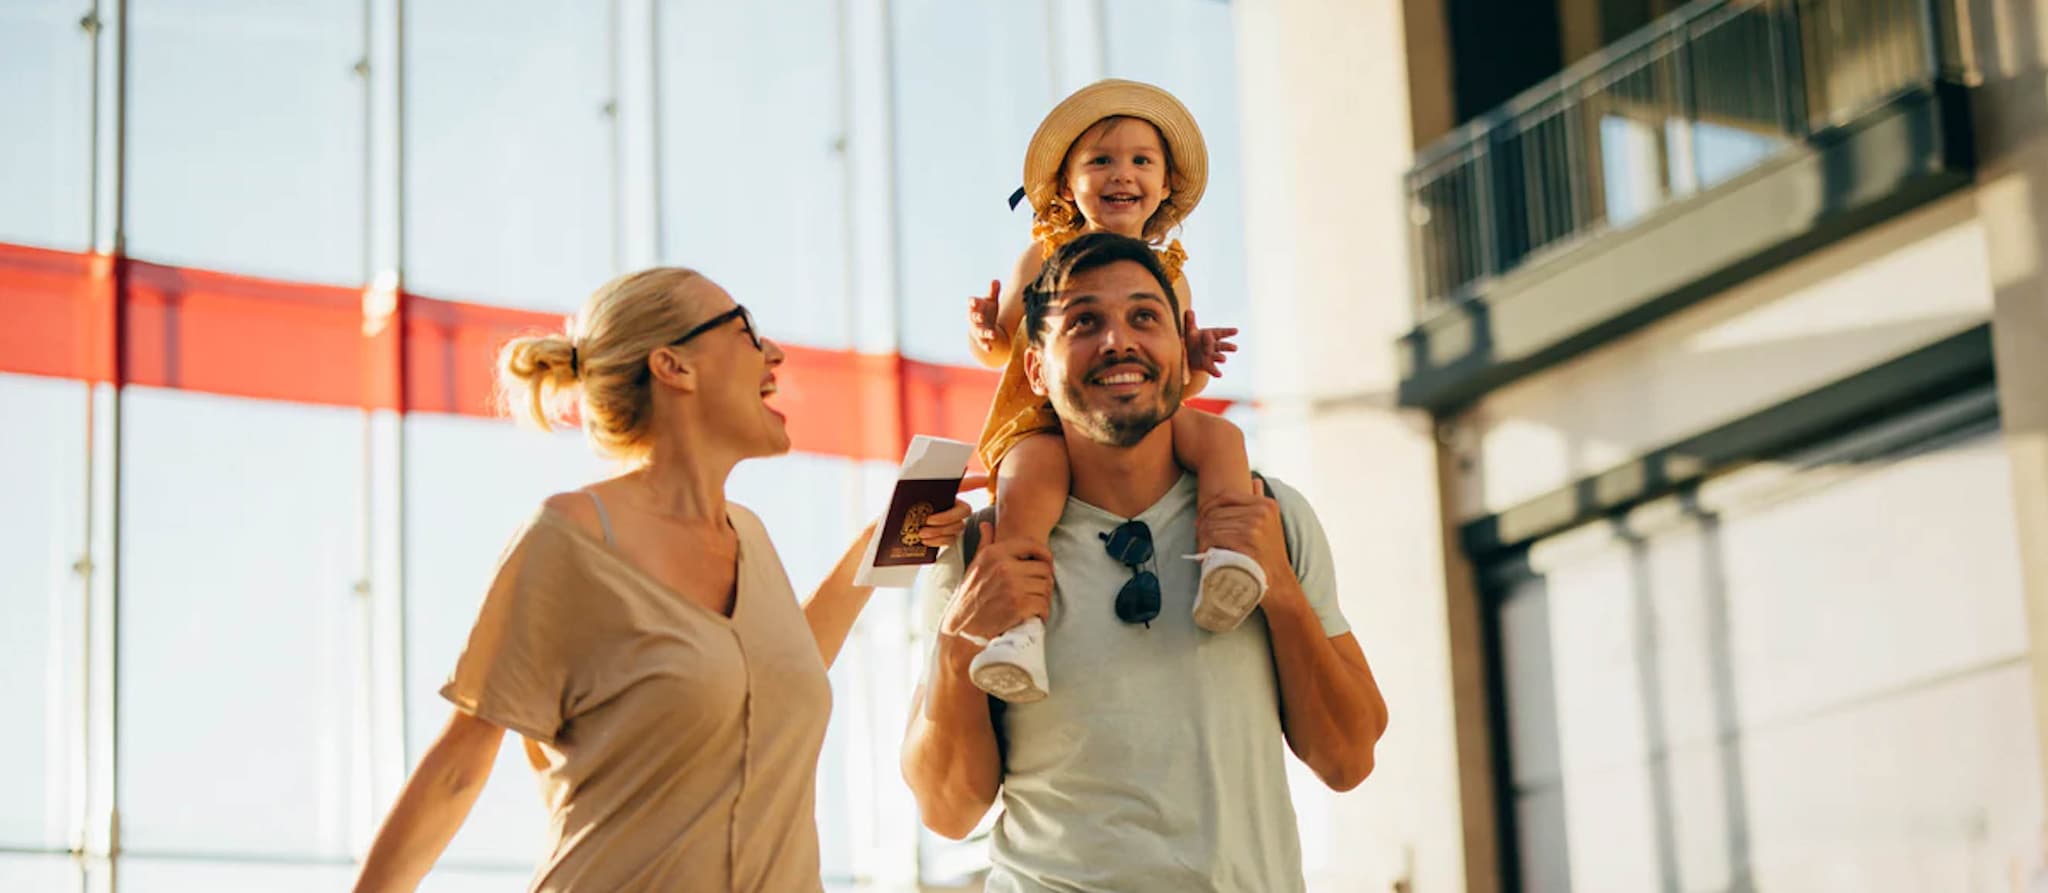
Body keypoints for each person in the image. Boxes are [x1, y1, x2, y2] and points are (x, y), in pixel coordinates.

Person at [351, 266, 974, 893]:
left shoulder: (750, 536)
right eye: (746, 331)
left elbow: (768, 673)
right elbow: (458, 768)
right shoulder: (572, 537)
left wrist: (878, 543)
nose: (774, 353)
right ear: (673, 366)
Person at [904, 233, 1390, 892]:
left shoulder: (1270, 516)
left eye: (1144, 317)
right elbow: (947, 810)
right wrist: (959, 646)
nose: (1118, 342)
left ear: (1182, 349)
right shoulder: (977, 550)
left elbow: (1348, 759)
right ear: (1035, 370)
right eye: (1084, 322)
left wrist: (1278, 587)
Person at [963, 79, 1263, 704]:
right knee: (1026, 489)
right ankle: (1020, 627)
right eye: (1100, 160)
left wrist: (1196, 363)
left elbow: (1175, 383)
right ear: (1066, 185)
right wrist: (986, 333)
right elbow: (1008, 349)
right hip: (1046, 418)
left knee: (1221, 438)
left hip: (1142, 415)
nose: (1121, 173)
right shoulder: (1043, 256)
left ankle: (1227, 557)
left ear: (1165, 183)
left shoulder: (1171, 276)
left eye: (1141, 160)